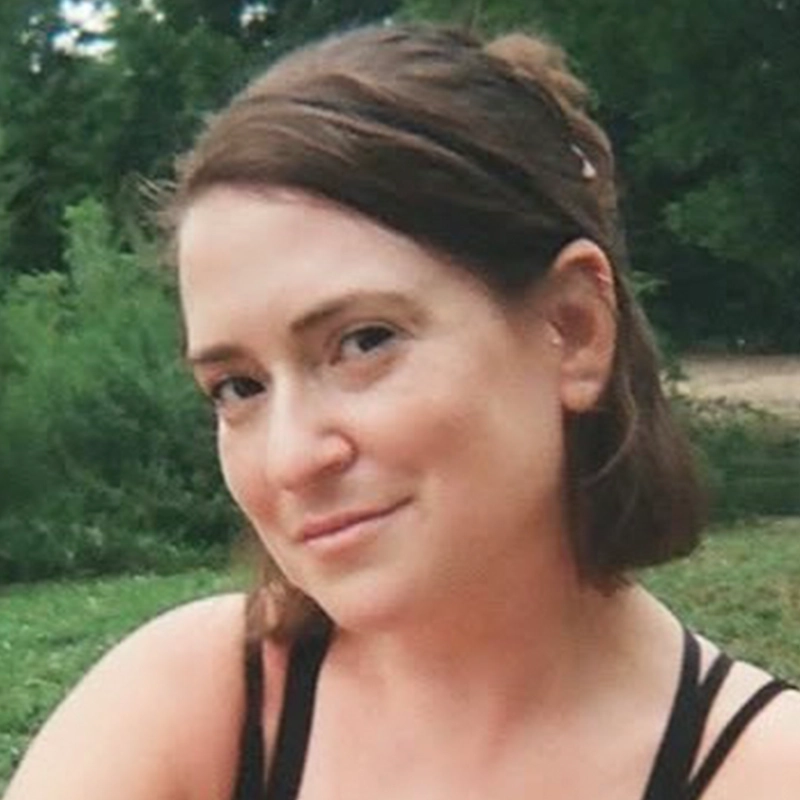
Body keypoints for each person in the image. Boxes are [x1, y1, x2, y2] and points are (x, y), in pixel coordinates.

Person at [5, 22, 800, 800]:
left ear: (574, 328)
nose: (290, 459)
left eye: (363, 342)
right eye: (238, 387)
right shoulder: (194, 706)